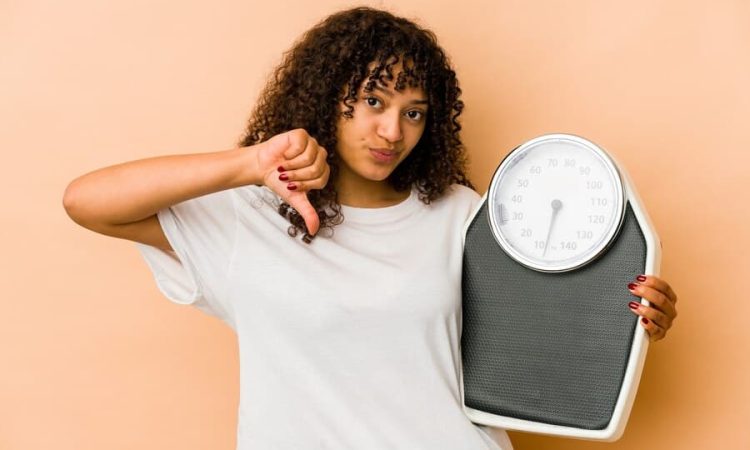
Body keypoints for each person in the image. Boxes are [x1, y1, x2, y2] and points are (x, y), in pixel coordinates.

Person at [62, 6, 678, 450]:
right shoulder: (246, 222)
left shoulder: (462, 217)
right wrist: (249, 164)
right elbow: (87, 201)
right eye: (373, 102)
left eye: (413, 112)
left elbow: (538, 340)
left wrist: (622, 316)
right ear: (326, 97)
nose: (392, 132)